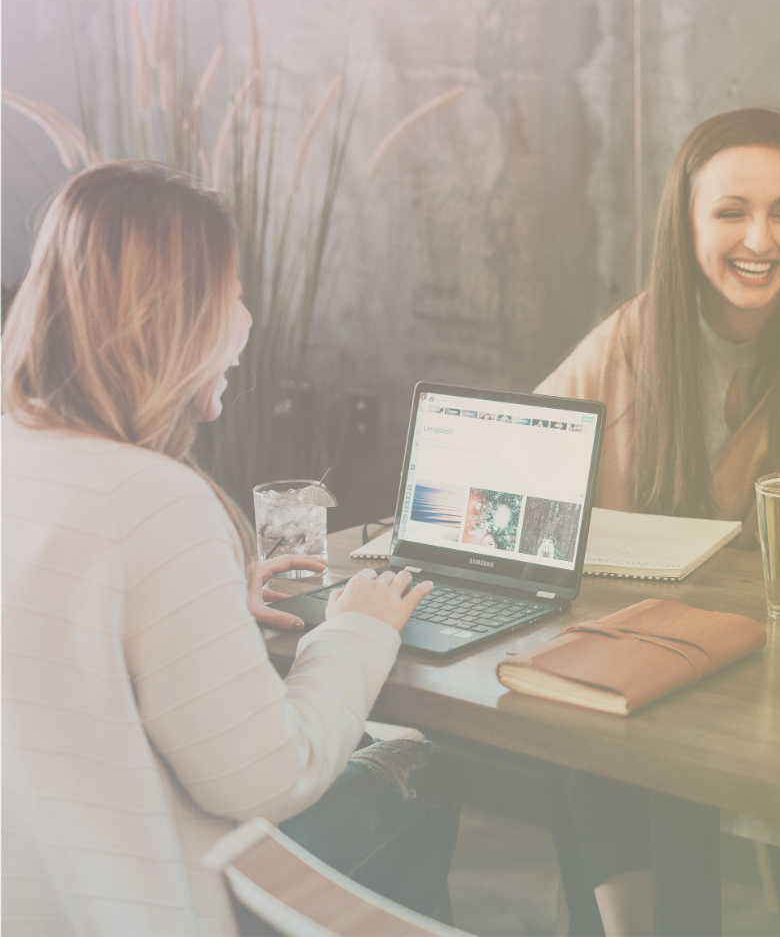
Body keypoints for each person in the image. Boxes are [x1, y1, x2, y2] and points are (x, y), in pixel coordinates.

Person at [0, 163, 459, 935]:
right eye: (233, 292)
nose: (246, 318)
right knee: (415, 766)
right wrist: (358, 629)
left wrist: (208, 599)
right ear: (162, 317)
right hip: (147, 906)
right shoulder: (152, 498)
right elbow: (266, 779)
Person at [536, 107, 780, 936]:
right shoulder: (634, 335)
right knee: (581, 714)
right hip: (640, 667)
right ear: (685, 222)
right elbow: (533, 457)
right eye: (732, 211)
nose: (762, 238)